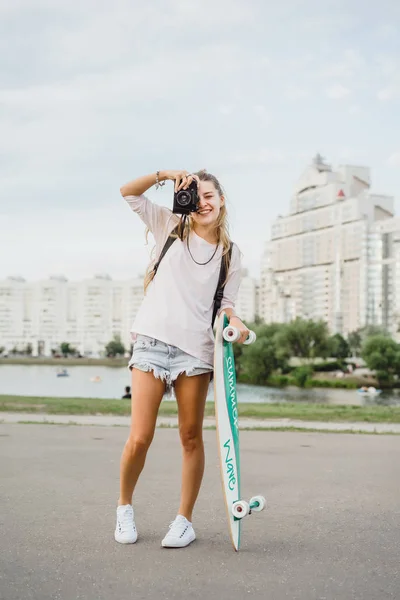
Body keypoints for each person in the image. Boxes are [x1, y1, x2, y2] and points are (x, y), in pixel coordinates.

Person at [115, 169, 249, 549]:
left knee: (191, 437)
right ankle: (124, 507)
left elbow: (226, 306)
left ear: (221, 200)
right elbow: (128, 192)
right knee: (140, 437)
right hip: (152, 341)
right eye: (196, 195)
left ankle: (183, 521)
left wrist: (234, 323)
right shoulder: (170, 225)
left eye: (209, 195)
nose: (203, 202)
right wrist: (166, 175)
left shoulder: (231, 253)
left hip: (196, 351)